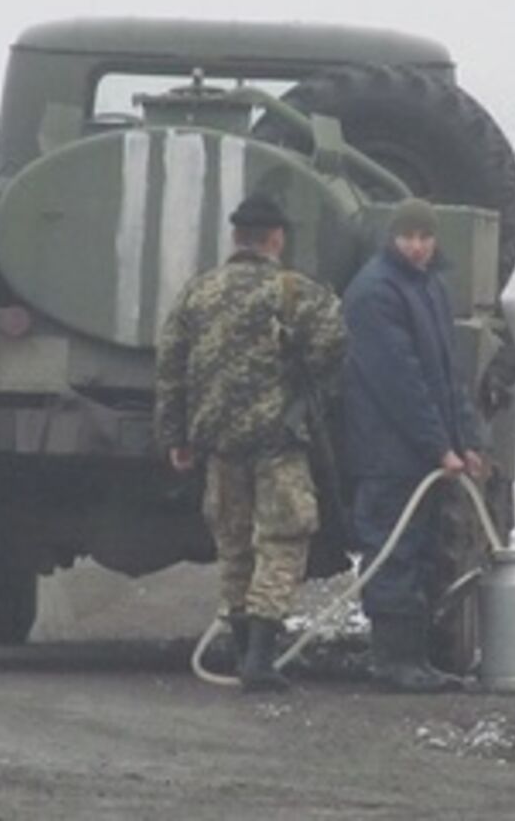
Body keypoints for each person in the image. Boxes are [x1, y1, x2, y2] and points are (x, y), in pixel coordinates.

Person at [155, 193, 346, 692]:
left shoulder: (198, 292)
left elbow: (170, 368)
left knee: (234, 544)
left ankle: (242, 650)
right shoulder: (294, 292)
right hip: (275, 441)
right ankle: (260, 657)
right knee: (283, 540)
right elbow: (333, 344)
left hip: (217, 443)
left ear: (236, 238)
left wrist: (175, 436)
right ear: (276, 239)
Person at [342, 197, 485, 693]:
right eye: (408, 237)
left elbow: (447, 375)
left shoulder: (429, 287)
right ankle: (393, 658)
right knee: (393, 550)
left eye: (425, 237)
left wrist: (466, 440)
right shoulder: (375, 292)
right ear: (392, 237)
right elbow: (398, 381)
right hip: (388, 450)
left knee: (420, 550)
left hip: (421, 452)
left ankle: (415, 657)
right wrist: (438, 445)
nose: (418, 246)